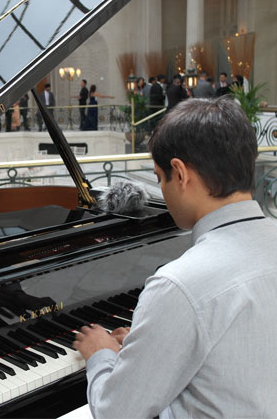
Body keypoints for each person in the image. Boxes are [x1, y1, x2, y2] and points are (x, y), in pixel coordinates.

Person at [73, 96, 277, 418]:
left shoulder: (178, 286)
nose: (161, 191)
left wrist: (101, 354)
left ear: (180, 174)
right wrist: (150, 345)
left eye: (158, 177)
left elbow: (116, 413)